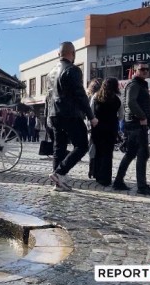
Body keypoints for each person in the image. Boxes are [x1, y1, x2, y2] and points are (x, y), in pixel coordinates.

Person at [46, 41, 98, 192]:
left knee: (59, 148)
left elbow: (48, 97)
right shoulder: (72, 70)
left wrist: (48, 116)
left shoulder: (50, 73)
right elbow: (80, 95)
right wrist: (91, 116)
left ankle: (58, 182)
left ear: (58, 54)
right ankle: (59, 173)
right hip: (70, 114)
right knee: (82, 146)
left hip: (54, 114)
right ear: (73, 54)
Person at [113, 62, 150, 196]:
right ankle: (142, 186)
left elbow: (135, 102)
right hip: (136, 124)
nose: (145, 71)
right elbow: (131, 102)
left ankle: (118, 181)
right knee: (142, 154)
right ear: (135, 71)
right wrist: (142, 116)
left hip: (135, 124)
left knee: (131, 153)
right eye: (142, 69)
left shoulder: (139, 84)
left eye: (147, 69)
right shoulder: (134, 84)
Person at [89, 77, 122, 186]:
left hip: (97, 128)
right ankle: (106, 178)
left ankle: (97, 175)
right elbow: (121, 116)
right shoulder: (117, 99)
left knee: (98, 152)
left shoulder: (96, 96)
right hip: (111, 129)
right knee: (108, 154)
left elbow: (91, 111)